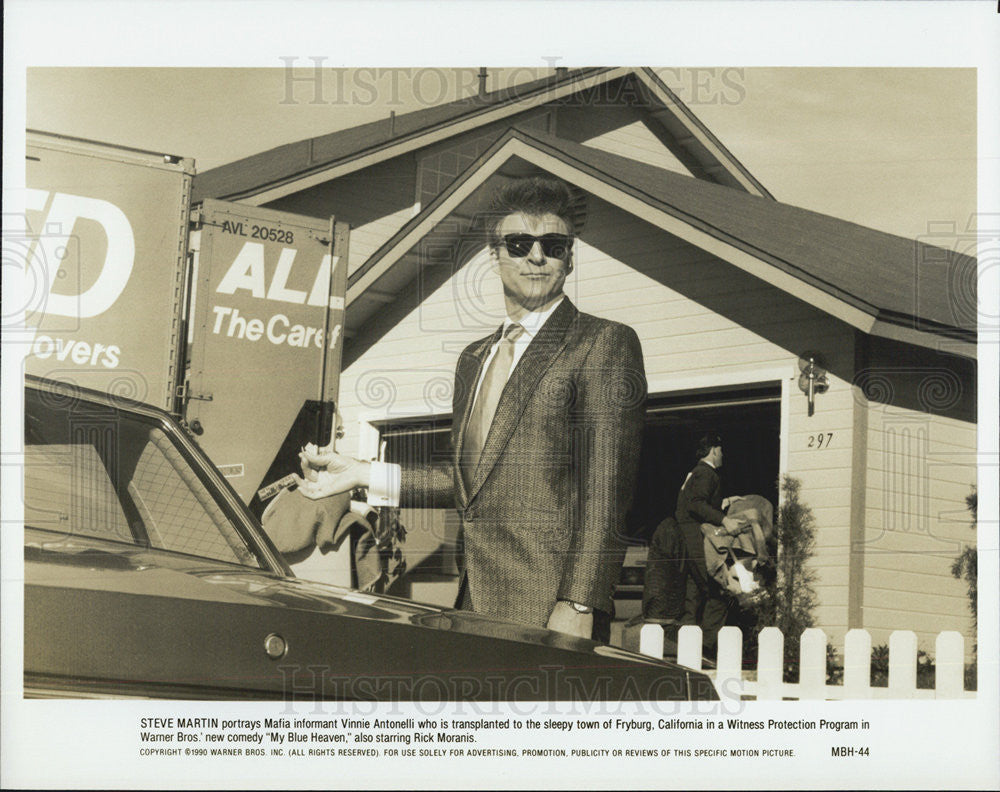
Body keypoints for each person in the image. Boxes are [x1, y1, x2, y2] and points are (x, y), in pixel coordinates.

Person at [295, 176, 647, 641]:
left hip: (552, 612)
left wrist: (579, 602)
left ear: (570, 257)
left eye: (553, 244)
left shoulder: (603, 342)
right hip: (473, 606)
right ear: (494, 256)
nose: (536, 256)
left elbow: (606, 491)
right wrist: (361, 472)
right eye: (519, 243)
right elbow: (468, 485)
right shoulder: (473, 360)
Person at [643, 432, 743, 657]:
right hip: (695, 539)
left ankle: (687, 647)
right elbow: (696, 504)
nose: (723, 455)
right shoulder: (707, 473)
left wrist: (725, 501)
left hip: (684, 539)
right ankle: (705, 648)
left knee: (694, 591)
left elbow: (693, 501)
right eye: (721, 451)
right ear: (714, 450)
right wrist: (725, 519)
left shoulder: (696, 473)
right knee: (718, 590)